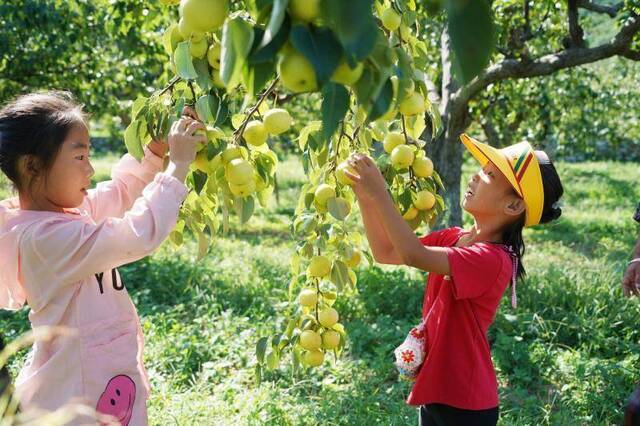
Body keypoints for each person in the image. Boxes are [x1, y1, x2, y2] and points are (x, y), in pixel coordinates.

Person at [0, 91, 204, 425]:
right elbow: (137, 234)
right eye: (79, 158)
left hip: (101, 370)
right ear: (32, 166)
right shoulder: (44, 239)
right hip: (77, 384)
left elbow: (120, 192)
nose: (91, 170)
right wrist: (178, 166)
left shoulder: (65, 214)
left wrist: (154, 153)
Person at [345, 134, 564, 426]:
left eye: (489, 175)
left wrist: (380, 193)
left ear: (513, 207)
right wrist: (364, 195)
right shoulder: (454, 238)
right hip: (437, 387)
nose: (475, 175)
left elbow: (412, 254)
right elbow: (386, 252)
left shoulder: (491, 259)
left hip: (466, 400)